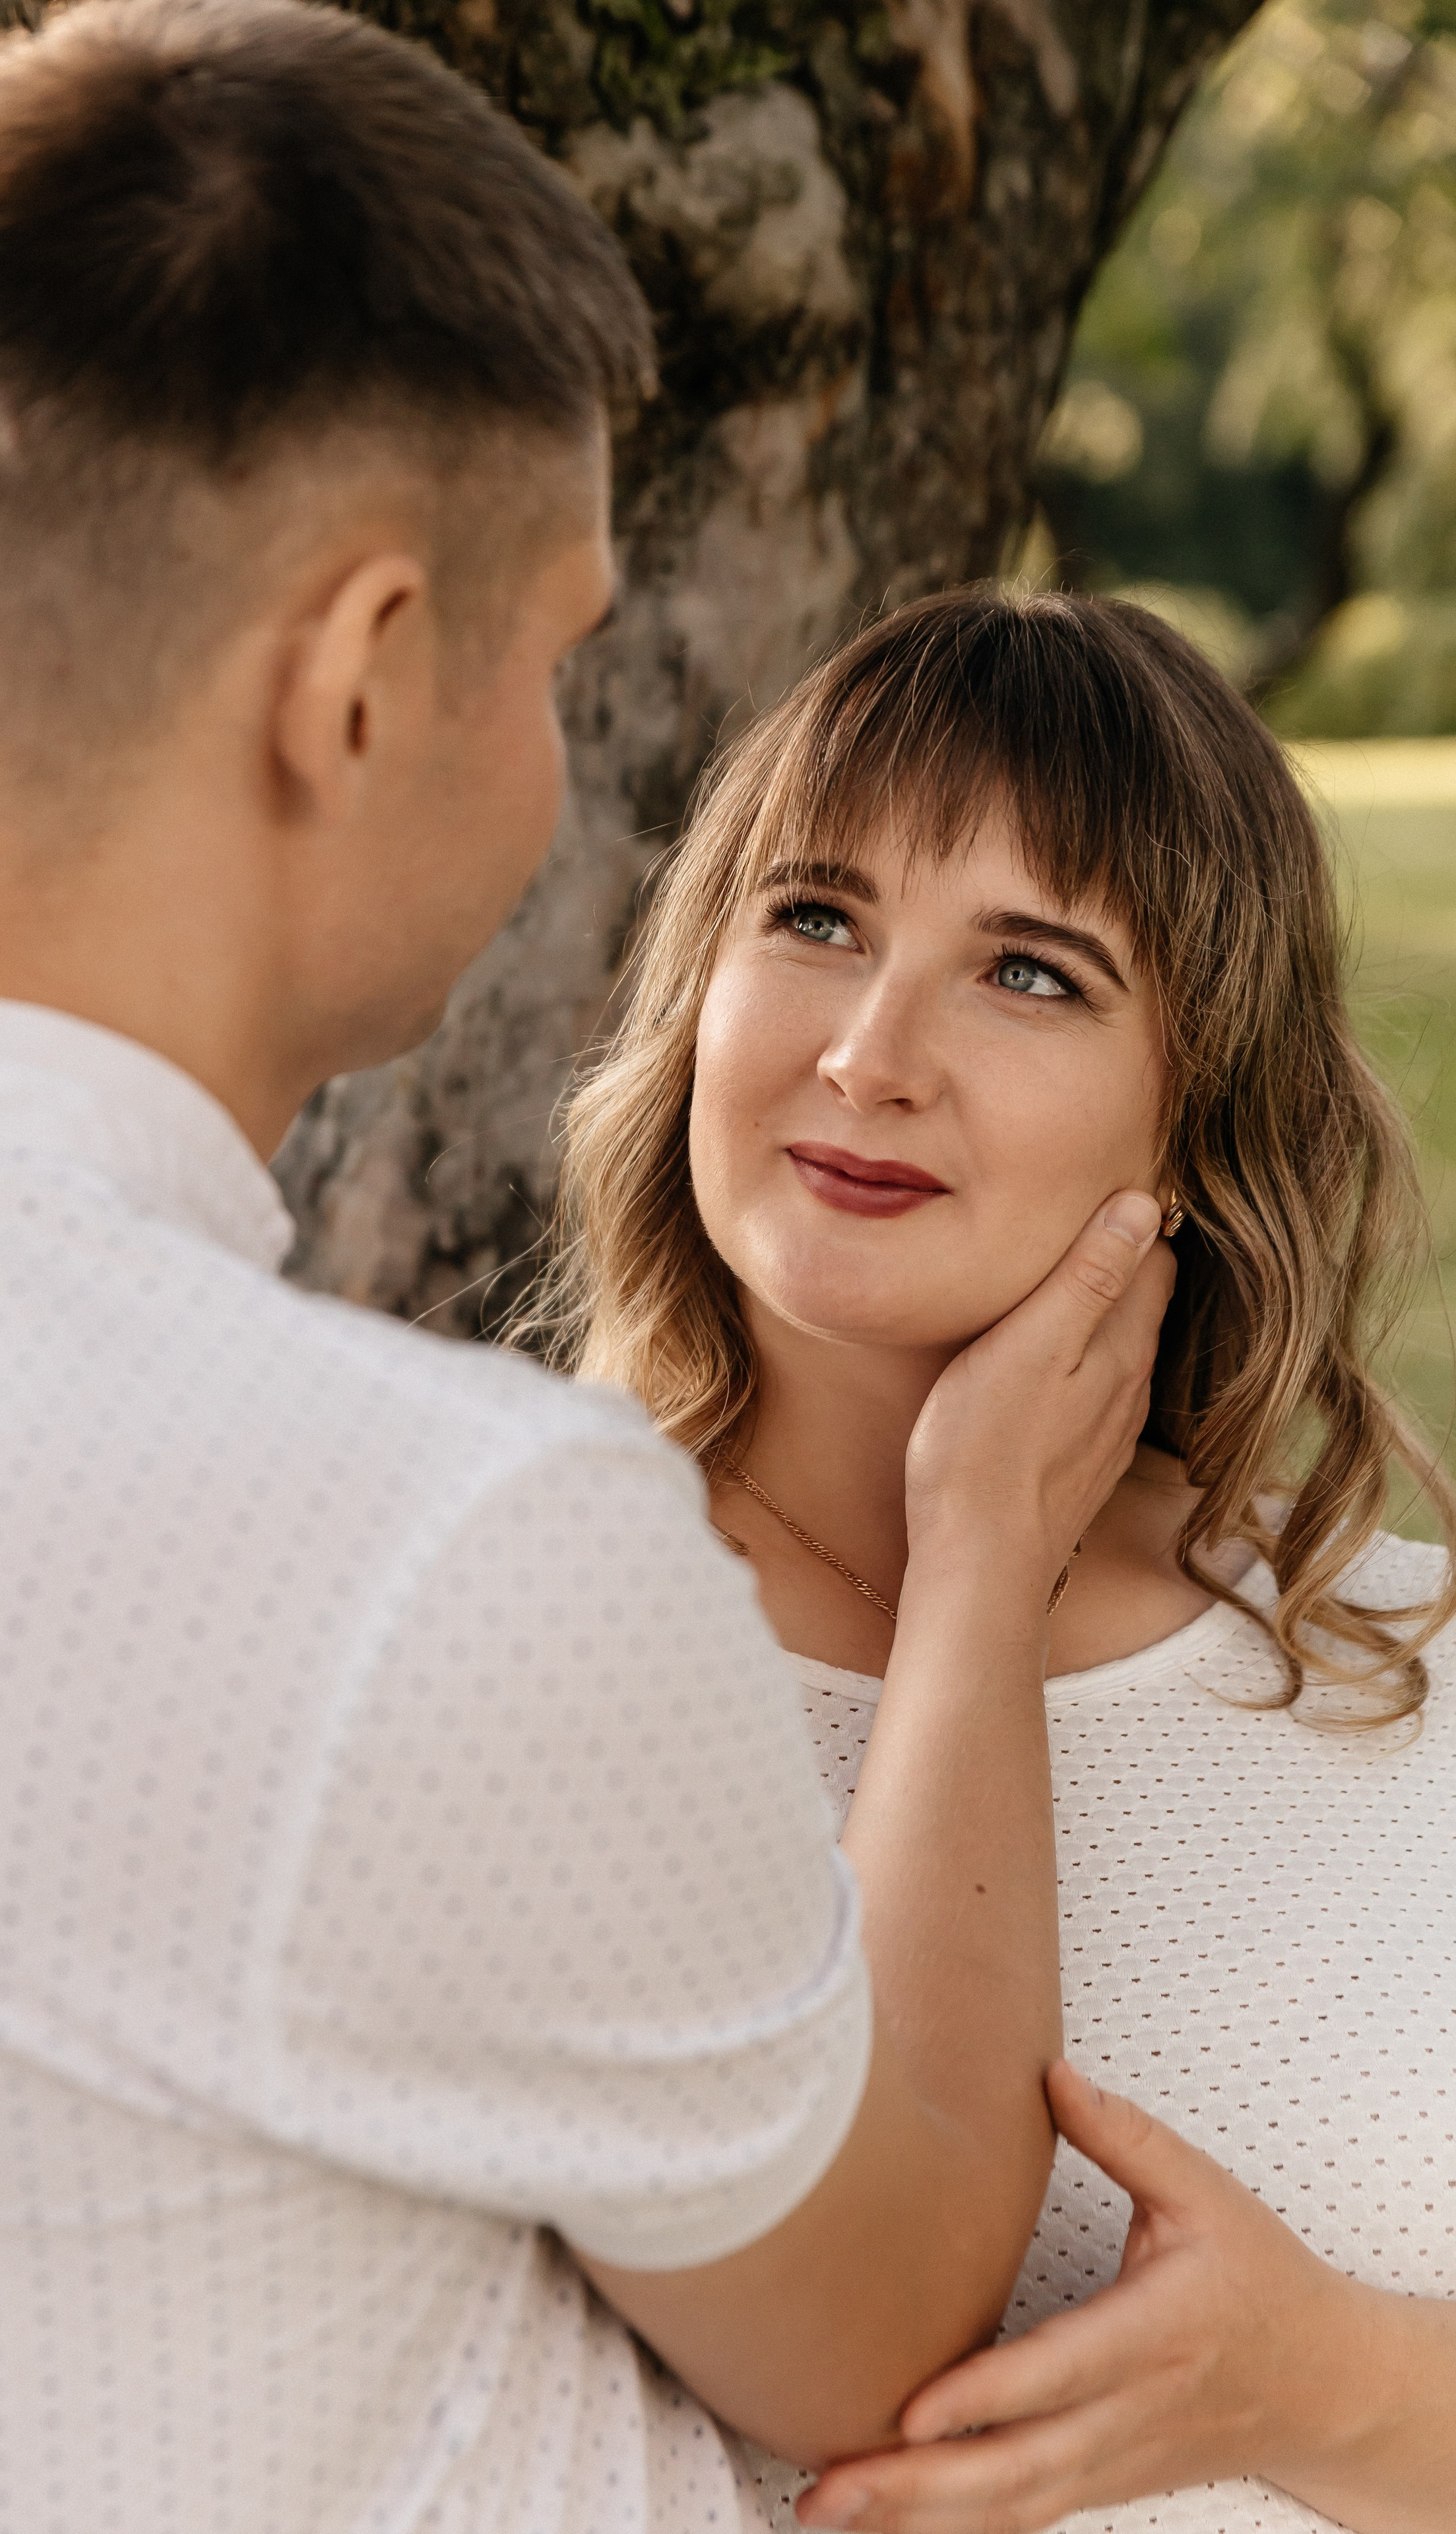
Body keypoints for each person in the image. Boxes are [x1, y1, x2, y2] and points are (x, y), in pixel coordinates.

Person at [0, 8, 1176, 2529]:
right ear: (363, 671)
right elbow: (881, 2337)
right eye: (553, 656)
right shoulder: (440, 1540)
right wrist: (977, 1572)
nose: (553, 756)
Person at [529, 586, 1456, 2534]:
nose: (870, 1055)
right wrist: (974, 1564)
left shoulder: (1406, 1667)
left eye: (1028, 973)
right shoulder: (497, 1627)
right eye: (816, 919)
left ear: (1198, 1110)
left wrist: (1326, 2386)